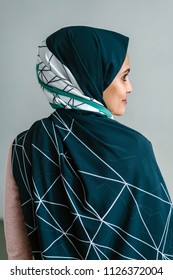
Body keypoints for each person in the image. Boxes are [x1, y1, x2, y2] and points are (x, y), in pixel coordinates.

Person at [4, 26, 173, 260]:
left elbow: (18, 250)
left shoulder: (25, 145)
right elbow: (160, 243)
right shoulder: (135, 148)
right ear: (91, 73)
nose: (130, 87)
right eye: (123, 76)